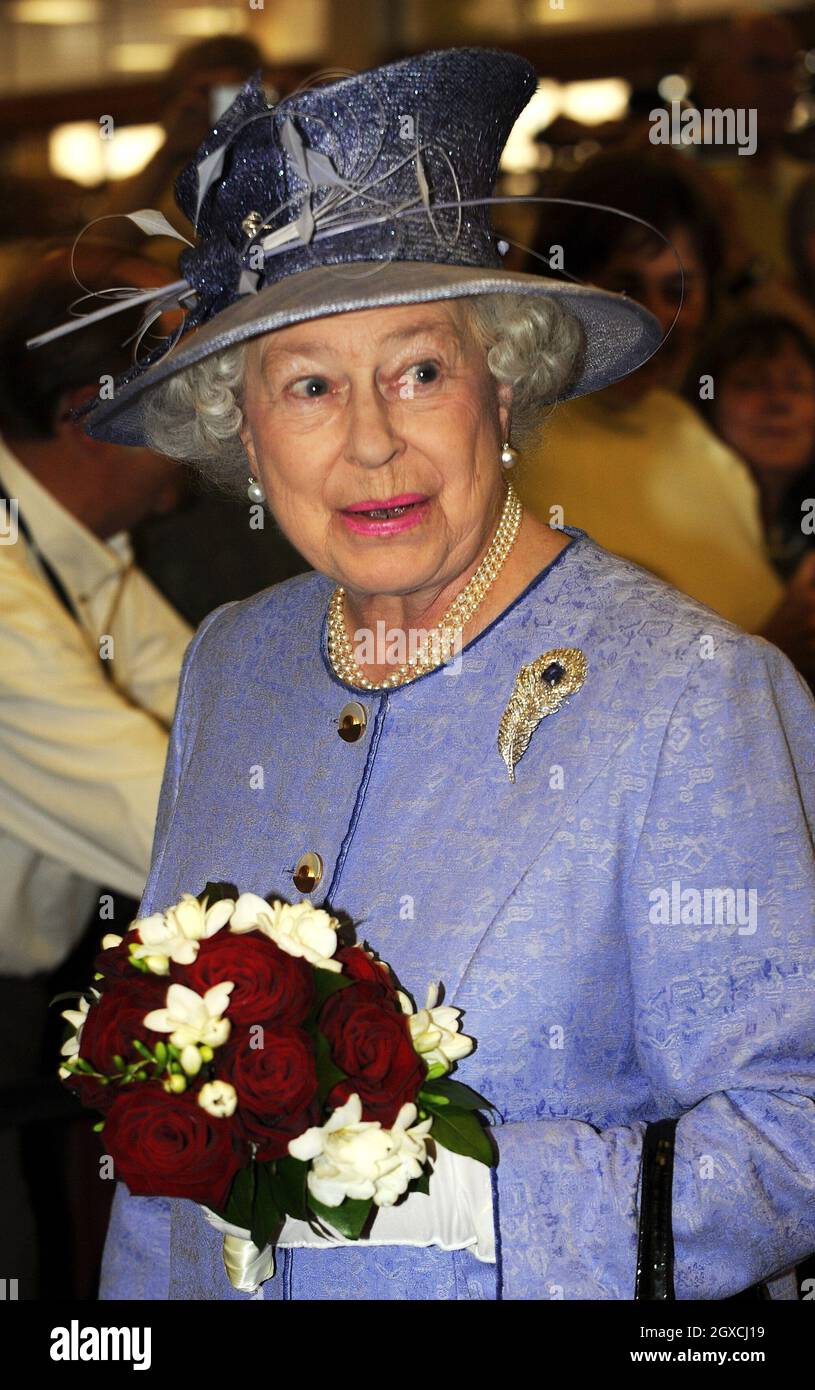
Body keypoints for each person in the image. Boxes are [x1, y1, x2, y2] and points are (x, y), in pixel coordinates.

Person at [45, 49, 815, 1301]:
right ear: (242, 431)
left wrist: (464, 1200)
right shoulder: (232, 663)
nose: (369, 441)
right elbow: (165, 1153)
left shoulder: (688, 695)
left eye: (418, 370)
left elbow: (793, 1131)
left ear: (500, 388)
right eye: (306, 386)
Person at [0, 244, 193, 1295]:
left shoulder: (79, 551)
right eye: (186, 392)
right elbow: (177, 818)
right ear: (89, 408)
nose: (222, 426)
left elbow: (224, 730)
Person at [513, 151, 787, 634]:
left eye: (680, 289)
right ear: (559, 288)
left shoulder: (698, 435)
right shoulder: (509, 446)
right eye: (625, 286)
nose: (660, 318)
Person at [684, 310, 815, 683]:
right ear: (705, 406)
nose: (778, 404)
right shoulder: (681, 532)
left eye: (797, 386)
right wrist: (774, 643)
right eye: (750, 384)